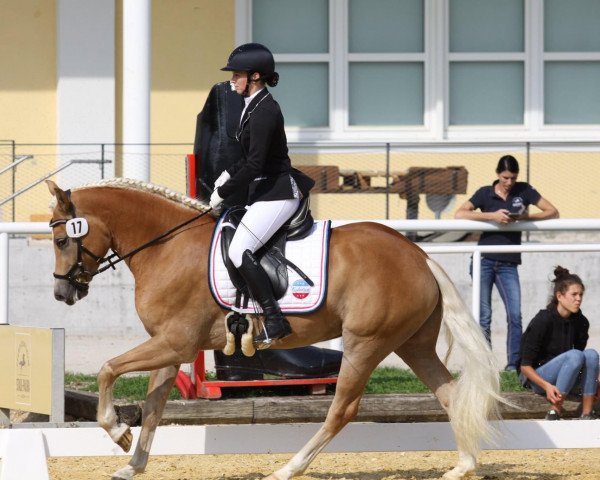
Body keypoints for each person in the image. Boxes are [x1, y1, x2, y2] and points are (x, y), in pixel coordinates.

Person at [209, 43, 315, 346]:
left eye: (237, 74)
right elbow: (250, 157)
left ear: (255, 76)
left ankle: (274, 318)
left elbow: (256, 163)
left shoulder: (265, 110)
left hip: (278, 192)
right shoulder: (252, 106)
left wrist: (225, 192)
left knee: (239, 250)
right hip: (264, 191)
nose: (233, 80)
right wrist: (227, 175)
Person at [454, 155, 559, 371]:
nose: (509, 182)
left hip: (508, 263)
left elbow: (552, 211)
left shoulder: (525, 190)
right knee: (483, 316)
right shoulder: (485, 192)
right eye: (505, 178)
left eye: (512, 178)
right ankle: (485, 365)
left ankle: (514, 365)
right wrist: (491, 215)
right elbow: (459, 213)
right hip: (483, 259)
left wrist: (524, 218)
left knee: (515, 314)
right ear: (497, 174)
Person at [518, 266, 600, 420]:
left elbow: (583, 362)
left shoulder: (581, 322)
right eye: (574, 294)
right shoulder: (542, 320)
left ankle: (587, 413)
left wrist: (597, 377)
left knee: (592, 355)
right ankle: (555, 410)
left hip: (566, 375)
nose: (579, 299)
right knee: (576, 355)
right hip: (538, 378)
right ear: (559, 296)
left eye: (581, 295)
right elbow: (525, 367)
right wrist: (546, 386)